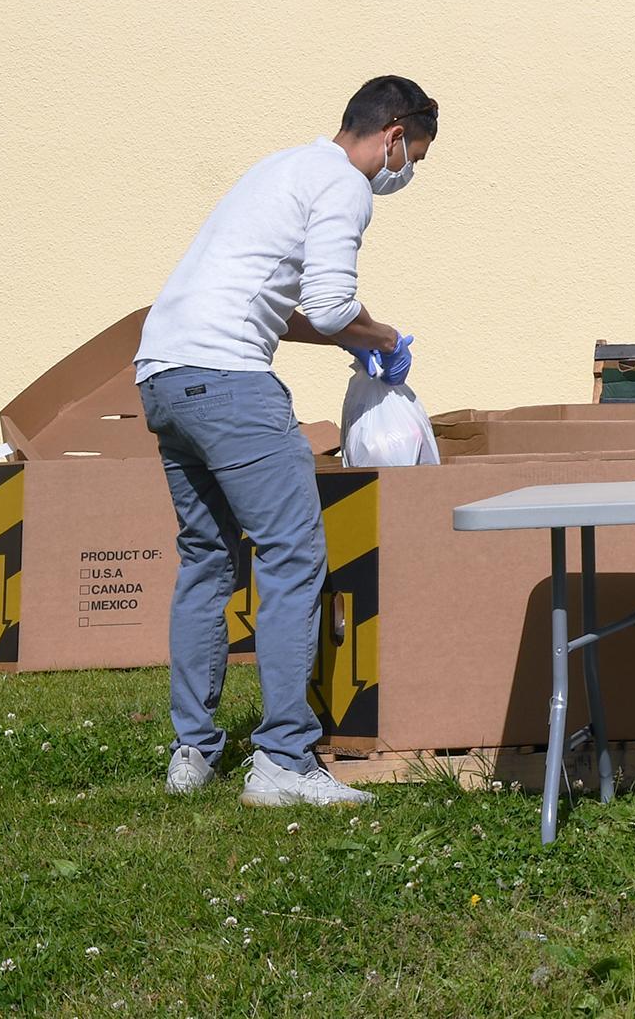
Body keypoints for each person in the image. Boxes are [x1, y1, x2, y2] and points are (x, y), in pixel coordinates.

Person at [135, 76, 436, 809]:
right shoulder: (344, 184)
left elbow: (280, 307)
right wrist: (385, 337)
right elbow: (332, 304)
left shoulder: (279, 167)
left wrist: (352, 339)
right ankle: (284, 762)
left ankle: (193, 750)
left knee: (207, 555)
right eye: (415, 157)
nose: (408, 173)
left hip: (162, 372)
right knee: (295, 556)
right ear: (393, 134)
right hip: (229, 382)